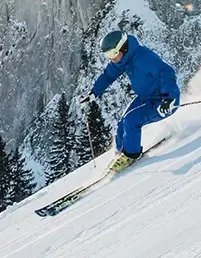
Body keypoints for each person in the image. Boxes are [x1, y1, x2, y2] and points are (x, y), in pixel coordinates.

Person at [77, 30, 180, 173]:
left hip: (163, 101)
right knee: (121, 125)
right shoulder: (122, 60)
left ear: (123, 47)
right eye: (107, 55)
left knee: (131, 121)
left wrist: (169, 98)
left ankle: (131, 155)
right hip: (145, 98)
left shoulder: (143, 58)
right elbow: (107, 76)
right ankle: (120, 154)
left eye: (112, 53)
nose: (111, 58)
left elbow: (167, 72)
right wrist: (94, 93)